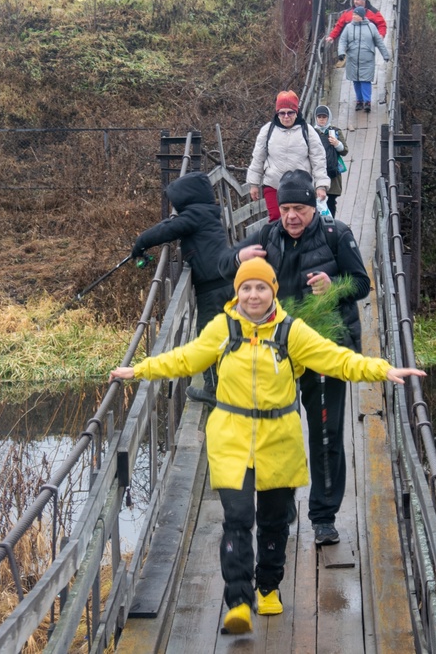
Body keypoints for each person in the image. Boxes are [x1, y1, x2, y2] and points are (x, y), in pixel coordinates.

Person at [108, 258, 425, 635]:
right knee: (238, 518)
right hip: (231, 436)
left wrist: (382, 370)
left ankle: (268, 587)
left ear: (272, 291)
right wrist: (139, 370)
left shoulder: (292, 332)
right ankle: (239, 602)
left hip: (280, 437)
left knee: (275, 520)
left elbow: (335, 359)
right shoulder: (222, 329)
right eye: (246, 288)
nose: (253, 295)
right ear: (237, 293)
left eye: (261, 287)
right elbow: (185, 358)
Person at [232, 170, 368, 547]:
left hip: (325, 351)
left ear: (314, 207)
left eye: (301, 209)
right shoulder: (265, 235)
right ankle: (282, 503)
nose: (292, 216)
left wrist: (334, 287)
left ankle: (323, 517)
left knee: (326, 434)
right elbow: (227, 266)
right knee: (276, 432)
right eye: (287, 208)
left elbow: (361, 283)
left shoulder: (336, 234)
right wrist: (238, 257)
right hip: (277, 352)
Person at [131, 170, 235, 404]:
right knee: (226, 333)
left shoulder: (194, 216)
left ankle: (213, 389)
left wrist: (140, 244)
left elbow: (165, 230)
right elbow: (174, 224)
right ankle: (227, 380)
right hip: (225, 280)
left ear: (186, 199)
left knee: (206, 334)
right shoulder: (207, 213)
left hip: (212, 286)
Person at [246, 90, 330, 222]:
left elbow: (318, 160)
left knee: (301, 221)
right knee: (276, 219)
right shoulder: (267, 130)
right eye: (282, 113)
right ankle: (277, 243)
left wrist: (321, 186)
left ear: (296, 113)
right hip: (274, 185)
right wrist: (254, 184)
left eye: (290, 112)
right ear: (277, 113)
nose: (286, 116)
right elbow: (258, 158)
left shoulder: (307, 131)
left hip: (301, 186)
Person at [337, 6, 391, 113]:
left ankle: (367, 102)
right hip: (353, 60)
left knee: (365, 80)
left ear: (361, 16)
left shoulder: (371, 27)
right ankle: (359, 101)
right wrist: (341, 53)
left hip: (367, 59)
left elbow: (379, 42)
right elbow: (342, 41)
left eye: (356, 15)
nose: (353, 16)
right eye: (353, 14)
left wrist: (386, 55)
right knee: (356, 81)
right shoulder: (348, 27)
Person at [311, 105, 347, 217]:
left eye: (324, 117)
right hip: (315, 175)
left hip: (332, 175)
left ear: (328, 118)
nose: (322, 119)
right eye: (319, 116)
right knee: (315, 205)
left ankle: (330, 228)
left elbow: (344, 151)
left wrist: (337, 144)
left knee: (331, 203)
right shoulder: (311, 132)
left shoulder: (335, 132)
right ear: (315, 118)